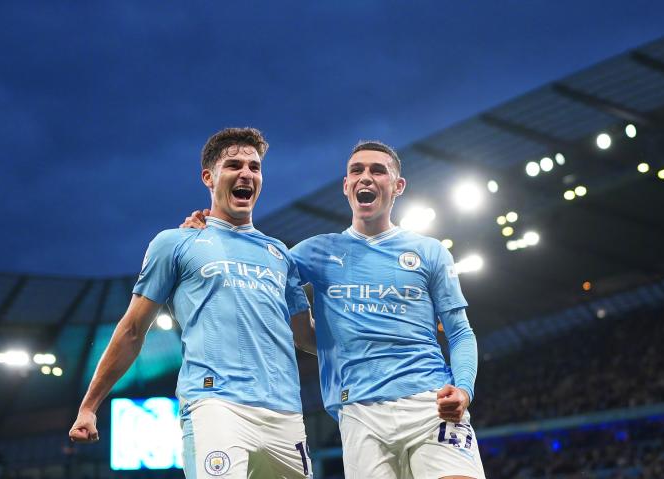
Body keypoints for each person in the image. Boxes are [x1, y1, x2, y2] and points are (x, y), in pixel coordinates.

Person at [183, 141, 485, 479]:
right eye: (357, 171)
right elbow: (255, 266)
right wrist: (208, 233)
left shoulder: (429, 252)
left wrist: (464, 389)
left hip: (430, 403)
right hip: (358, 413)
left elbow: (460, 332)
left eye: (378, 171)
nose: (365, 177)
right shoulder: (314, 252)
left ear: (398, 186)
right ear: (346, 186)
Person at [69, 128, 314, 479]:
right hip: (215, 404)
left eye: (254, 167)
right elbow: (133, 329)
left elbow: (305, 337)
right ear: (208, 177)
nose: (246, 173)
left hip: (286, 412)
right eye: (234, 165)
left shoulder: (280, 254)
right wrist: (89, 406)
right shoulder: (176, 243)